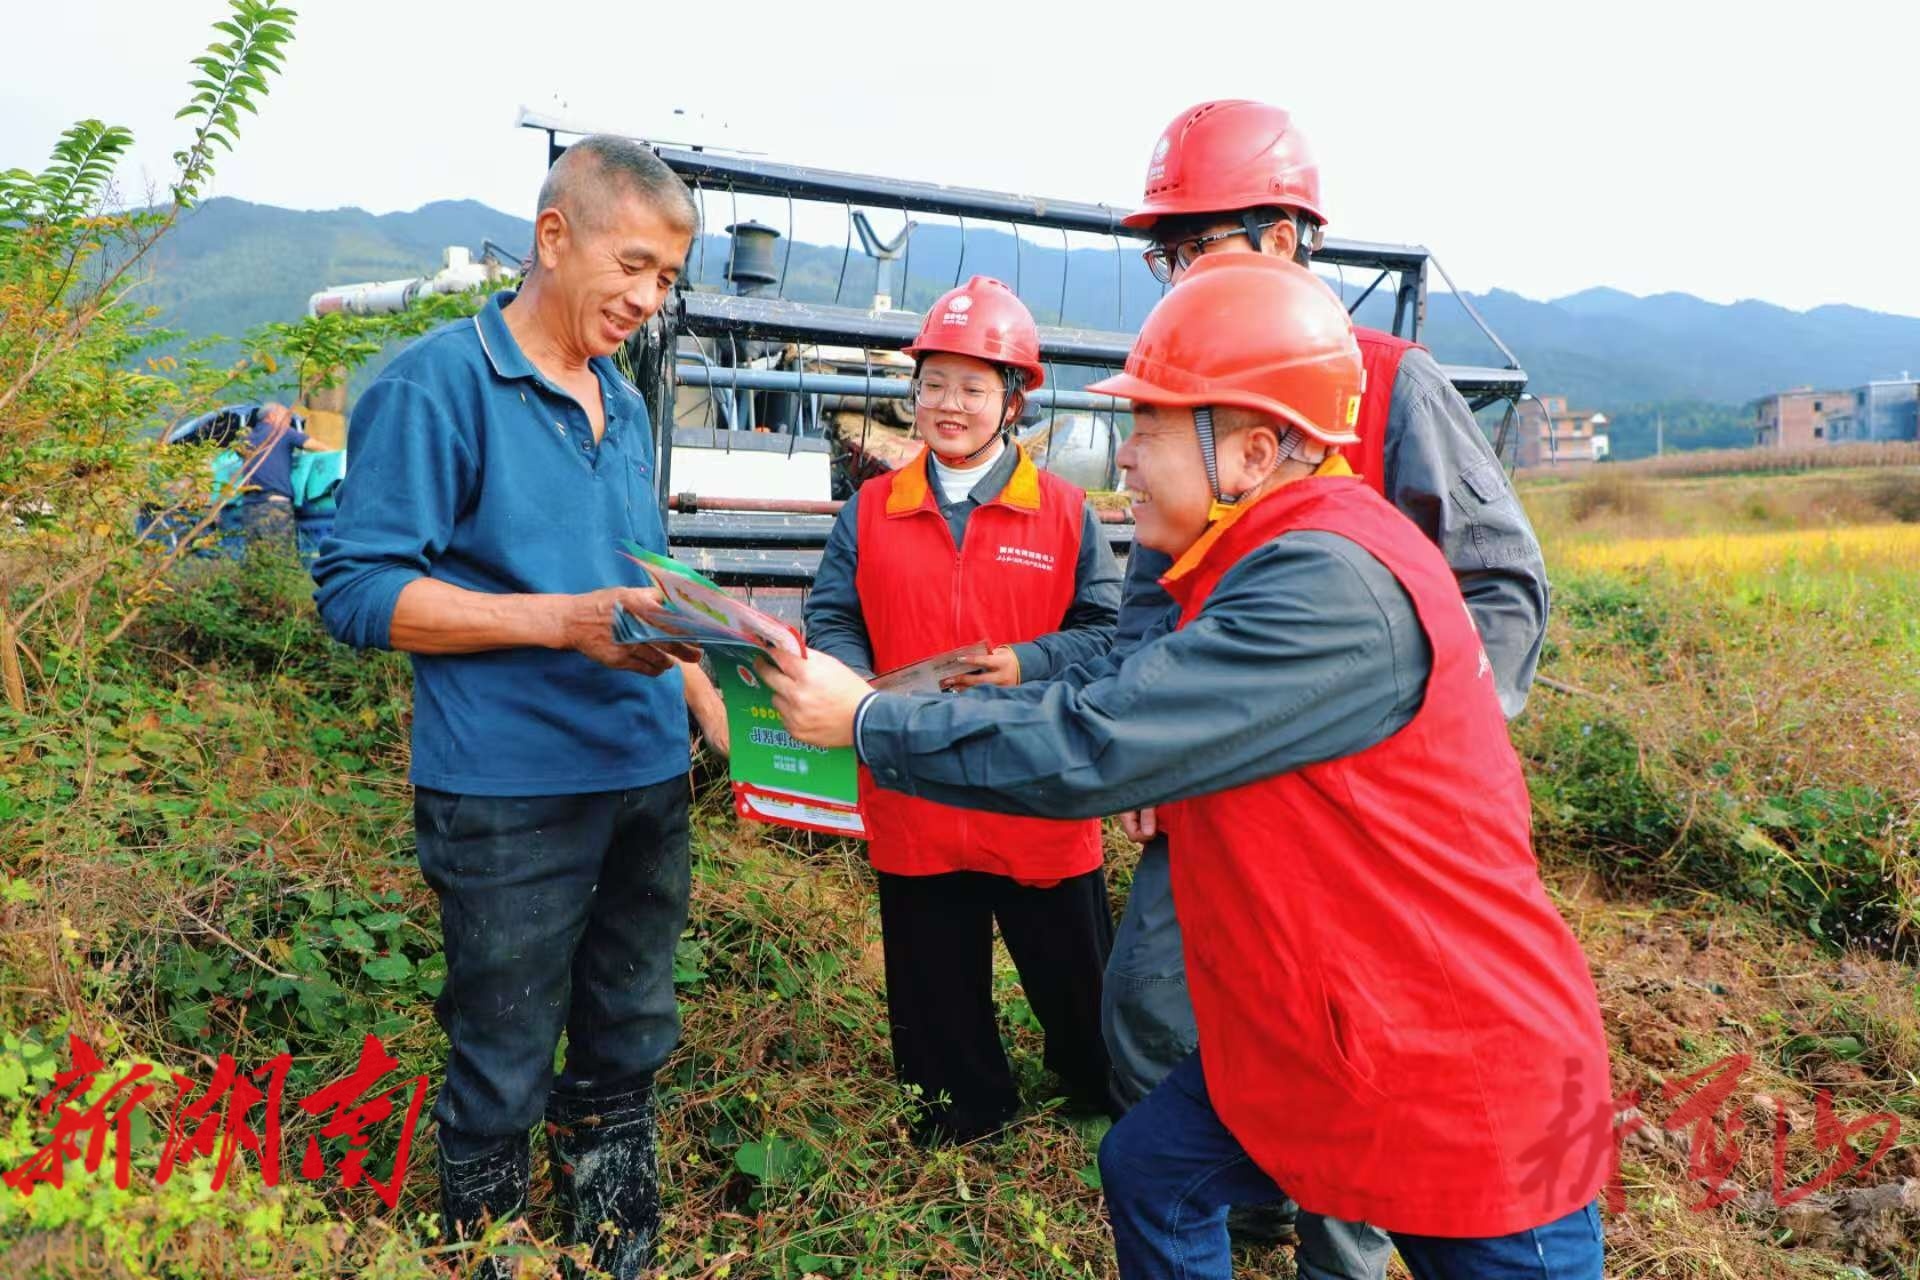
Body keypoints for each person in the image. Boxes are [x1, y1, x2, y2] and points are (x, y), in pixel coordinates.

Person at [761, 254, 1611, 1280]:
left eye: (1148, 427)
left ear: (1250, 451)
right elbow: (1110, 692)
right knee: (1152, 1170)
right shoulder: (1261, 557)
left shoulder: (1323, 584)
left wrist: (870, 724)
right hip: (1327, 1026)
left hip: (1451, 1065)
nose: (1123, 456)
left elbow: (1094, 741)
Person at [1104, 100, 1554, 1271]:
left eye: (1197, 243)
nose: (1179, 273)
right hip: (1219, 778)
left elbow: (1502, 586)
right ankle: (1245, 1183)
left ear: (1284, 237)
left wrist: (1412, 743)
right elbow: (1152, 598)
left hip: (1364, 813)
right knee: (1151, 1002)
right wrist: (1149, 739)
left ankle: (1335, 1239)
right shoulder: (1185, 396)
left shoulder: (1392, 383)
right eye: (1167, 252)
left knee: (1366, 1038)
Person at [311, 135, 714, 1279]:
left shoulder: (622, 398)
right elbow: (358, 591)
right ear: (553, 236)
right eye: (632, 265)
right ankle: (484, 1253)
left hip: (644, 772)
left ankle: (617, 1249)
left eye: (667, 278)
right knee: (502, 1048)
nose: (648, 298)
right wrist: (559, 622)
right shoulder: (436, 384)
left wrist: (716, 689)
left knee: (630, 1031)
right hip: (509, 789)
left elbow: (642, 575)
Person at [803, 275, 1122, 1144]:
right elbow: (833, 613)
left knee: (1079, 982)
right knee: (933, 979)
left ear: (1014, 400)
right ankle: (963, 1118)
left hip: (1035, 785)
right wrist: (853, 679)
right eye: (933, 383)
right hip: (916, 785)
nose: (948, 405)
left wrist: (1026, 661)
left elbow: (1105, 632)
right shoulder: (872, 509)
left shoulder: (1065, 514)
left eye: (973, 388)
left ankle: (1099, 1092)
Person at [234, 401, 333, 546]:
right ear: (272, 416)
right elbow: (317, 447)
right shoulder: (281, 431)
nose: (288, 421)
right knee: (281, 553)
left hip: (249, 507)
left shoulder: (246, 440)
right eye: (286, 417)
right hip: (275, 505)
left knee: (256, 554)